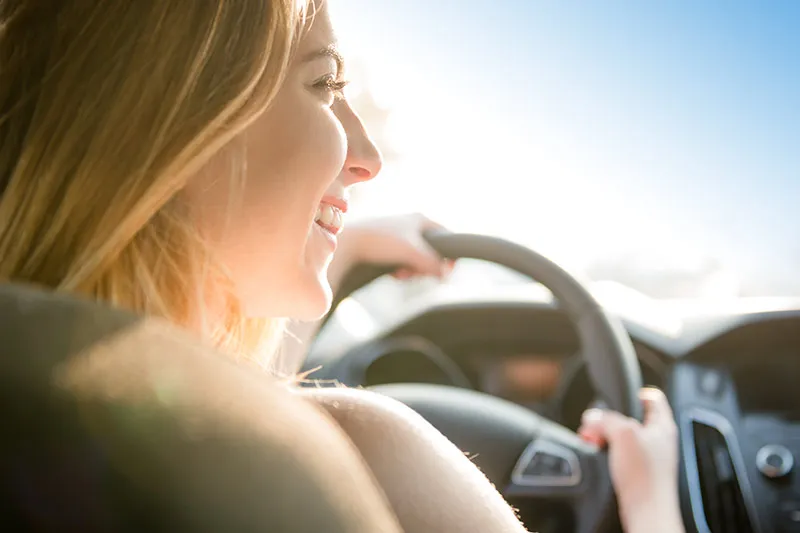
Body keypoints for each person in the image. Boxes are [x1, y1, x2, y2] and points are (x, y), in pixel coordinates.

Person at [0, 1, 684, 532]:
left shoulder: (36, 403)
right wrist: (652, 505)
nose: (367, 156)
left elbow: (210, 395)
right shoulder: (367, 453)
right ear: (170, 118)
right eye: (325, 83)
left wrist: (345, 244)